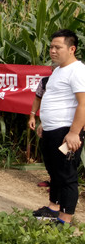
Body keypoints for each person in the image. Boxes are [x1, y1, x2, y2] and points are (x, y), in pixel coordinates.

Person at [32, 29, 85, 226]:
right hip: (51, 131)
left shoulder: (78, 71)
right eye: (51, 47)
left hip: (66, 133)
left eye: (58, 47)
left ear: (72, 49)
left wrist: (74, 132)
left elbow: (83, 104)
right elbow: (54, 99)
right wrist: (44, 124)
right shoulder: (58, 70)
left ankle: (65, 219)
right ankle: (53, 208)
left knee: (67, 174)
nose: (52, 51)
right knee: (54, 172)